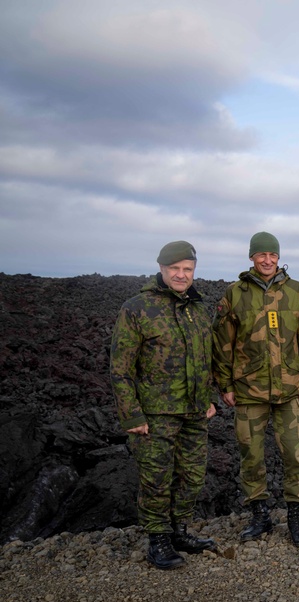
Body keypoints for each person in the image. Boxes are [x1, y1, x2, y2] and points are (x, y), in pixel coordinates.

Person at [110, 241, 217, 570]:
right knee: (157, 478)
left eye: (188, 269)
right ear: (161, 268)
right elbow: (120, 368)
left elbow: (203, 359)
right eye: (175, 269)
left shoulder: (197, 308)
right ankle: (158, 540)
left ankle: (180, 531)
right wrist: (132, 415)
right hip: (155, 414)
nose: (181, 275)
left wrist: (208, 399)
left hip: (194, 411)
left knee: (192, 476)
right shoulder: (137, 308)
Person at [212, 232, 299, 547]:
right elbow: (222, 343)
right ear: (251, 258)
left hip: (291, 390)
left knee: (296, 455)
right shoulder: (235, 294)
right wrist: (226, 385)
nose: (267, 260)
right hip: (248, 391)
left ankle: (295, 518)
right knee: (251, 456)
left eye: (272, 255)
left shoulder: (297, 292)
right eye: (261, 255)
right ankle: (260, 516)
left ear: (278, 256)